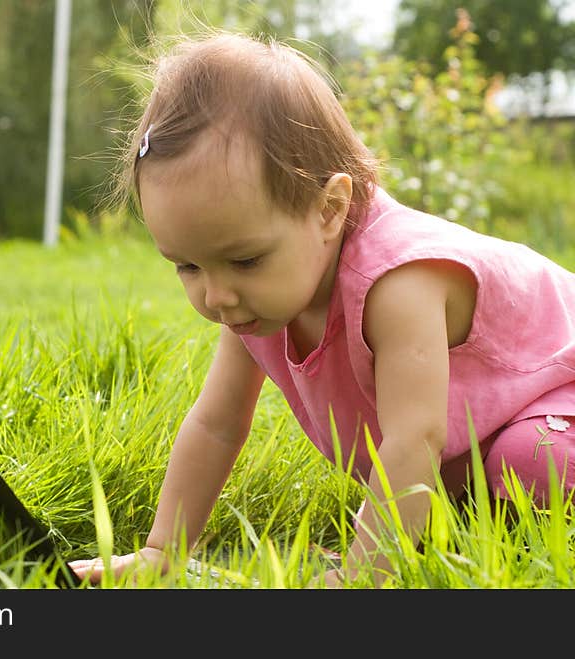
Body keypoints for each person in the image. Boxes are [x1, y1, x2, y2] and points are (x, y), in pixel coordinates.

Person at [68, 31, 575, 587]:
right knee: (460, 492)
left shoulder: (397, 284)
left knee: (533, 461)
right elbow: (216, 425)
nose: (216, 297)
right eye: (187, 266)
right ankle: (454, 529)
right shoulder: (252, 300)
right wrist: (162, 548)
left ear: (329, 209)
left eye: (245, 259)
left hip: (557, 401)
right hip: (480, 443)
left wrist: (358, 583)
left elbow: (415, 439)